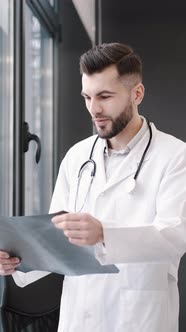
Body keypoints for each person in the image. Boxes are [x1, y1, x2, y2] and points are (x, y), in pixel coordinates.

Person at [0, 42, 186, 332]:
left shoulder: (175, 156)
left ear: (136, 94)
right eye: (87, 97)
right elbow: (55, 239)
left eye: (105, 96)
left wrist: (104, 234)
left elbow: (176, 236)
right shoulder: (77, 156)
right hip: (79, 316)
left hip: (140, 318)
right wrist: (17, 261)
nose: (94, 109)